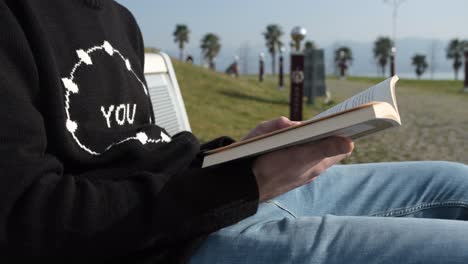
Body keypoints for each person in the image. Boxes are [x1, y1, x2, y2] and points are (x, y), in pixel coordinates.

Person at [1, 1, 468, 263]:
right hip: (165, 247)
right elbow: (25, 219)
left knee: (454, 182)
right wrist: (246, 182)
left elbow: (135, 153)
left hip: (212, 199)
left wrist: (241, 152)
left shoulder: (117, 18)